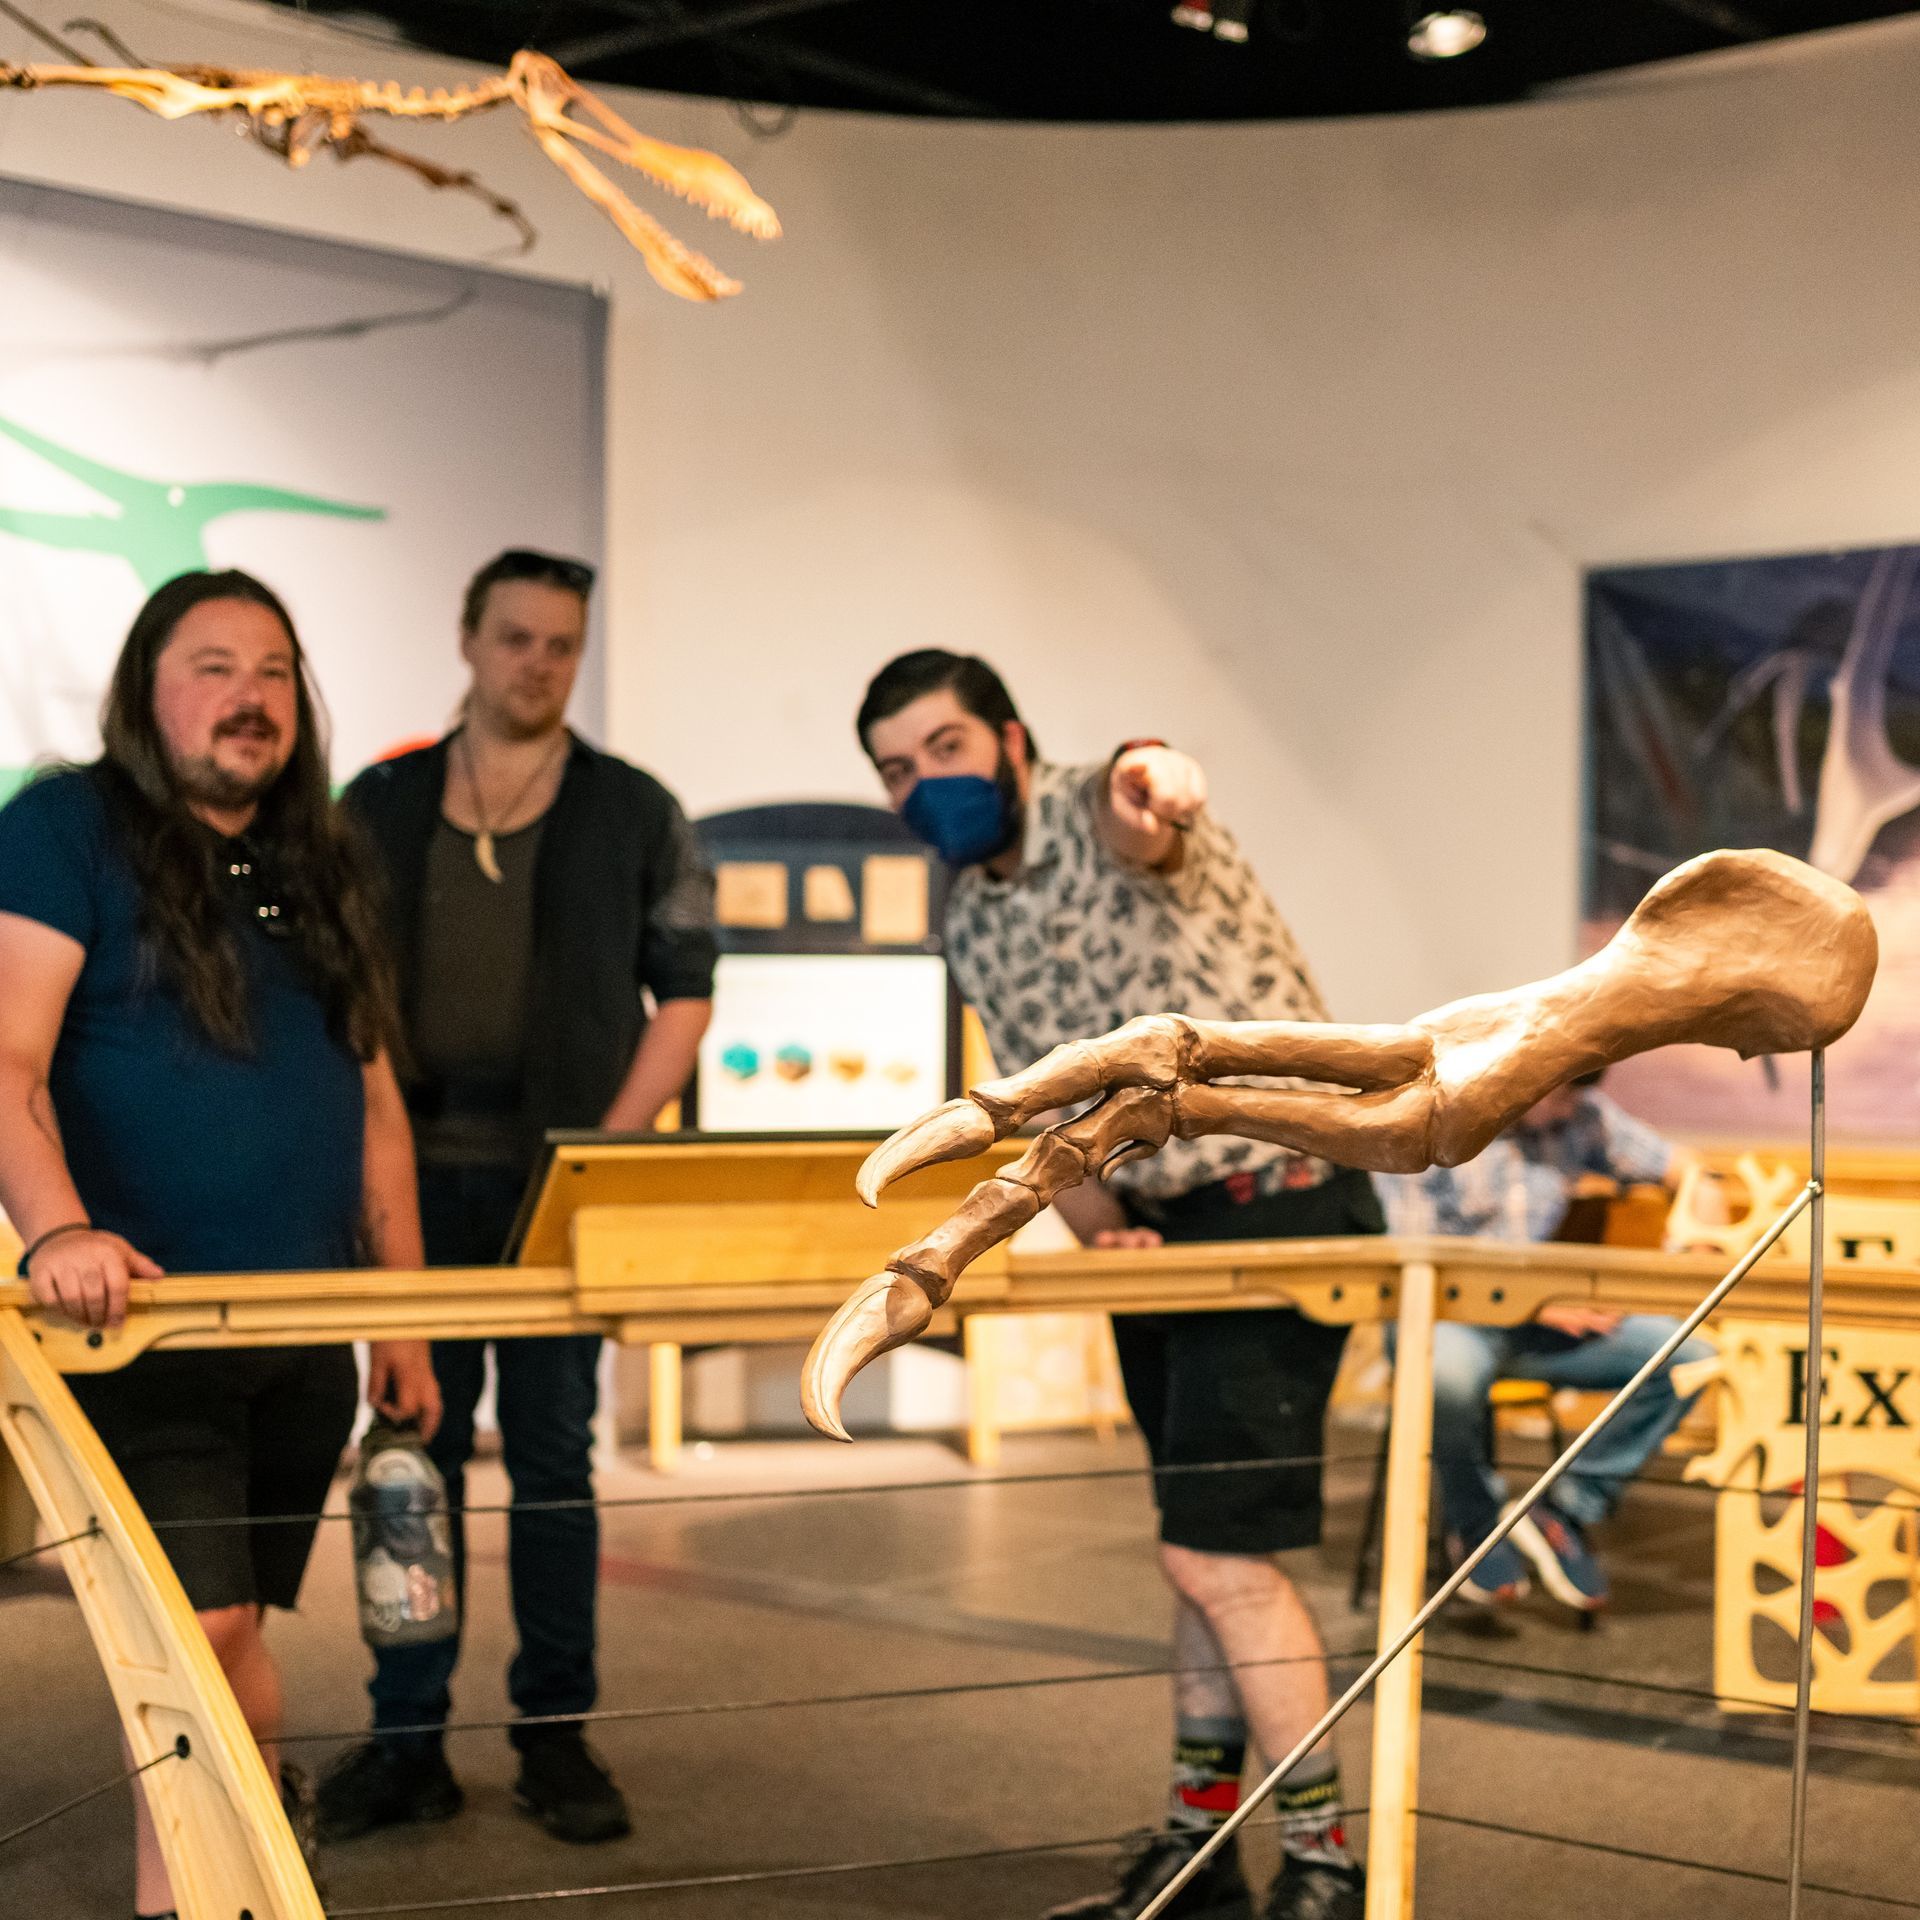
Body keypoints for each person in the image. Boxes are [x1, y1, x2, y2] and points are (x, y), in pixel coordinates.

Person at [858, 650, 1381, 1920]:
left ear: (1011, 741)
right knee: (1200, 1555)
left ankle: (1324, 1866)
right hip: (1164, 1237)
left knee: (1218, 1555)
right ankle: (1201, 1854)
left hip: (1281, 1206)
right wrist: (1098, 1224)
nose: (924, 783)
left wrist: (1157, 779)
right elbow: (1046, 1101)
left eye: (945, 748)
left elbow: (1145, 803)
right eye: (895, 769)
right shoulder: (968, 917)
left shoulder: (1106, 811)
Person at [0, 569, 440, 1920]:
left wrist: (405, 1318)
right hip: (141, 1324)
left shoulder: (327, 859)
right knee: (196, 1634)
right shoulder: (64, 827)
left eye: (273, 670)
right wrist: (58, 1229)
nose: (250, 696)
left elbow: (375, 1107)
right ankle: (192, 1895)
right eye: (213, 666)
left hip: (298, 1332)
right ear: (147, 690)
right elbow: (6, 1060)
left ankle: (255, 1851)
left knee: (238, 1622)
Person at [317, 549, 716, 1848]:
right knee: (407, 1462)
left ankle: (556, 1735)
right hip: (409, 1185)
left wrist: (607, 1149)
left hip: (562, 1191)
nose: (538, 663)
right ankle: (405, 1741)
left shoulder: (635, 809)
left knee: (551, 1461)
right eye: (516, 637)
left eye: (561, 644)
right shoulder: (377, 805)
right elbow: (328, 995)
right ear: (468, 639)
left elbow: (687, 993)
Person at [1380, 1071, 1715, 1612]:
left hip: (1538, 1323)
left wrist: (1700, 1227)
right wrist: (1532, 1301)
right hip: (1448, 1313)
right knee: (1446, 1377)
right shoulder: (1438, 1121)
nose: (1568, 1109)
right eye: (1559, 1095)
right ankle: (1477, 1525)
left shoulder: (1582, 1114)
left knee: (1689, 1358)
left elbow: (1690, 1170)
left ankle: (1563, 1509)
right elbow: (1413, 1256)